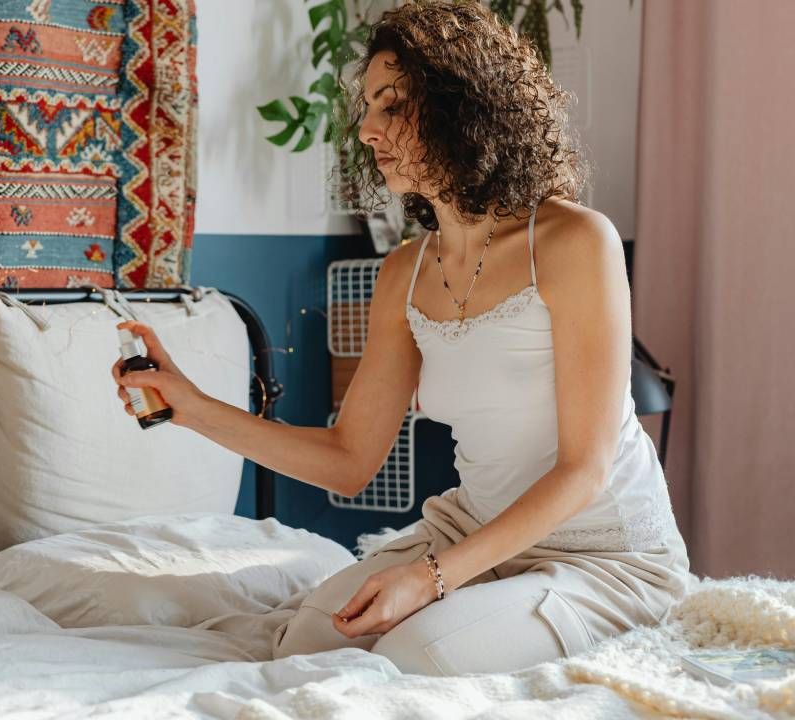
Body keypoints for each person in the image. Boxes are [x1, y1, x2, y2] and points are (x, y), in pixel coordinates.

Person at [111, 2, 689, 676]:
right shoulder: (404, 273)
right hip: (475, 534)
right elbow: (349, 457)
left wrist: (431, 579)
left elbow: (584, 471)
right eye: (366, 107)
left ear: (460, 104)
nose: (367, 130)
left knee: (421, 654)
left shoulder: (572, 241)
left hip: (603, 555)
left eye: (390, 105)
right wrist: (190, 407)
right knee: (308, 643)